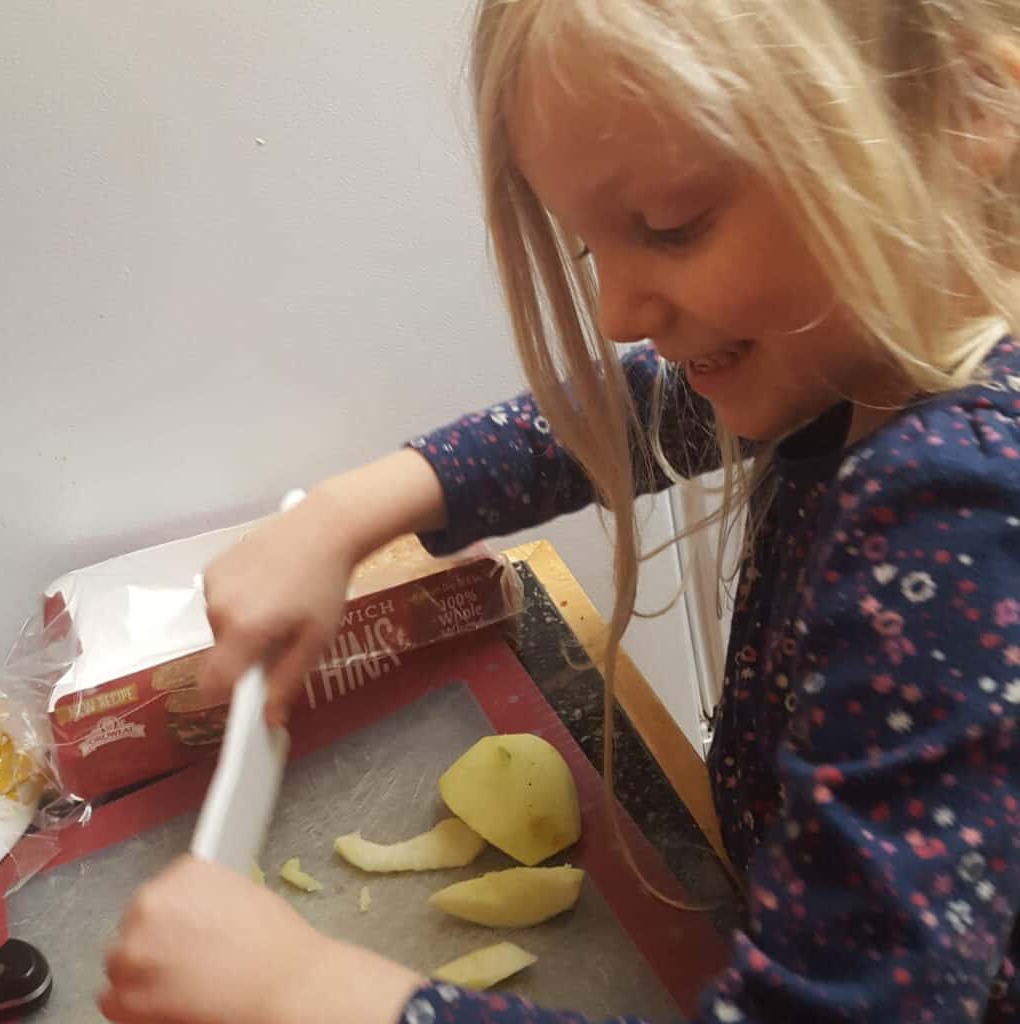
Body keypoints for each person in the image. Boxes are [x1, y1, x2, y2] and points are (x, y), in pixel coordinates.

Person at [98, 1, 1020, 1022]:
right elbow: (641, 409)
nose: (618, 312)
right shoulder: (869, 350)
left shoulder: (956, 509)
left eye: (671, 226)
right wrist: (347, 512)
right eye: (590, 250)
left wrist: (315, 995)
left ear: (967, 105)